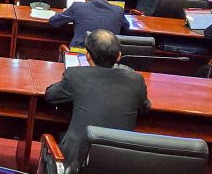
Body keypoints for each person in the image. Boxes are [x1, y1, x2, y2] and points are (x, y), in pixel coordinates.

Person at [44, 30, 150, 161]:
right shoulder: (136, 80)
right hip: (120, 161)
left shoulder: (75, 75)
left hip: (77, 161)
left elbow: (50, 96)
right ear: (119, 56)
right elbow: (145, 108)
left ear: (87, 55)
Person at [49, 0, 127, 46]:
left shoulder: (77, 7)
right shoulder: (119, 10)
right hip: (108, 52)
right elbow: (126, 28)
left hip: (81, 50)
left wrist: (67, 13)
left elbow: (53, 22)